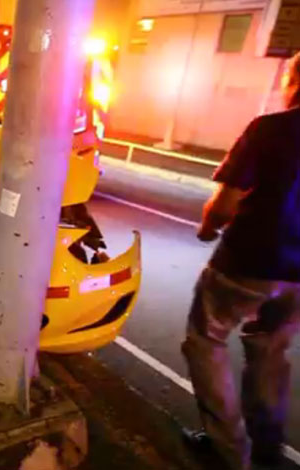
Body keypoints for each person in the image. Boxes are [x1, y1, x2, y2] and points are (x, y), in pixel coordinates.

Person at [182, 52, 300, 470]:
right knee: (270, 351)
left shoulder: (271, 129)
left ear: (295, 80)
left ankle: (230, 450)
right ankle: (268, 447)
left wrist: (208, 229)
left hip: (248, 262)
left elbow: (226, 202)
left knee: (205, 341)